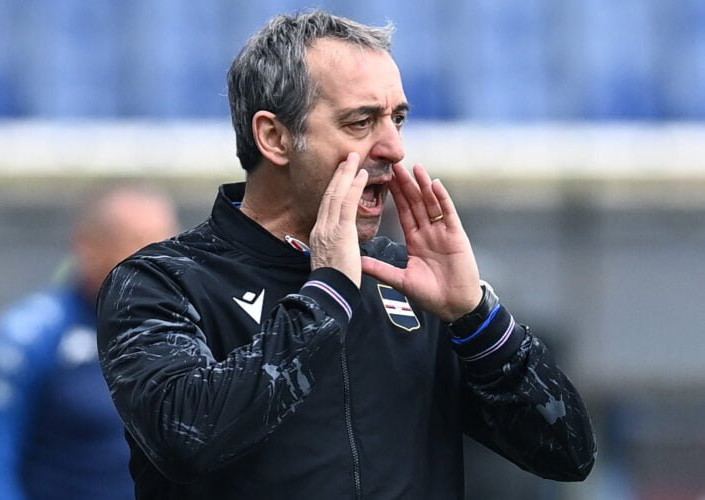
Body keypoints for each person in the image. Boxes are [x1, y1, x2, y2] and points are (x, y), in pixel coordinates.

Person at [96, 11, 596, 500]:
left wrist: (477, 318)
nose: (394, 148)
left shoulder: (408, 281)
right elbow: (186, 439)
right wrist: (325, 297)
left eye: (398, 119)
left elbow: (568, 454)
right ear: (275, 137)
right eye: (361, 122)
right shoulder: (161, 283)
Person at [0, 185, 180, 500]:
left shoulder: (195, 331)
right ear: (87, 245)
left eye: (168, 241)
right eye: (137, 242)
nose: (160, 258)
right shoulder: (31, 334)